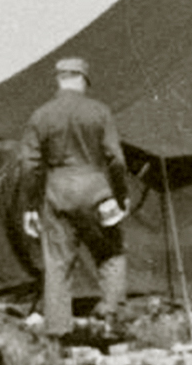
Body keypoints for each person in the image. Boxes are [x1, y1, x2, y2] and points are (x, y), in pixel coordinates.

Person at [24, 55, 129, 340]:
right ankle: (109, 317)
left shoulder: (41, 115)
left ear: (59, 80)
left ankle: (58, 333)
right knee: (112, 252)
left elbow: (30, 166)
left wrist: (30, 206)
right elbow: (116, 160)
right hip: (96, 189)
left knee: (57, 262)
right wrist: (120, 195)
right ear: (83, 80)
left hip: (57, 190)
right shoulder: (99, 111)